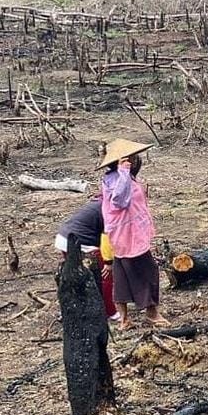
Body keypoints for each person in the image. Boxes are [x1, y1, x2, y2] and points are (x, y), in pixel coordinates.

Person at [99, 139, 169, 330]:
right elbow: (120, 201)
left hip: (126, 233)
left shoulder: (122, 177)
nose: (135, 160)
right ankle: (151, 313)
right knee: (148, 272)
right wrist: (123, 172)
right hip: (128, 234)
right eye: (132, 158)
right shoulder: (116, 178)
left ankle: (124, 319)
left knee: (122, 274)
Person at [55, 198, 120, 322]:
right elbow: (106, 237)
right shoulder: (110, 209)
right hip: (83, 241)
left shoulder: (97, 203)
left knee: (74, 275)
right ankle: (110, 311)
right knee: (105, 276)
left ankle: (72, 308)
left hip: (64, 237)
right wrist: (108, 262)